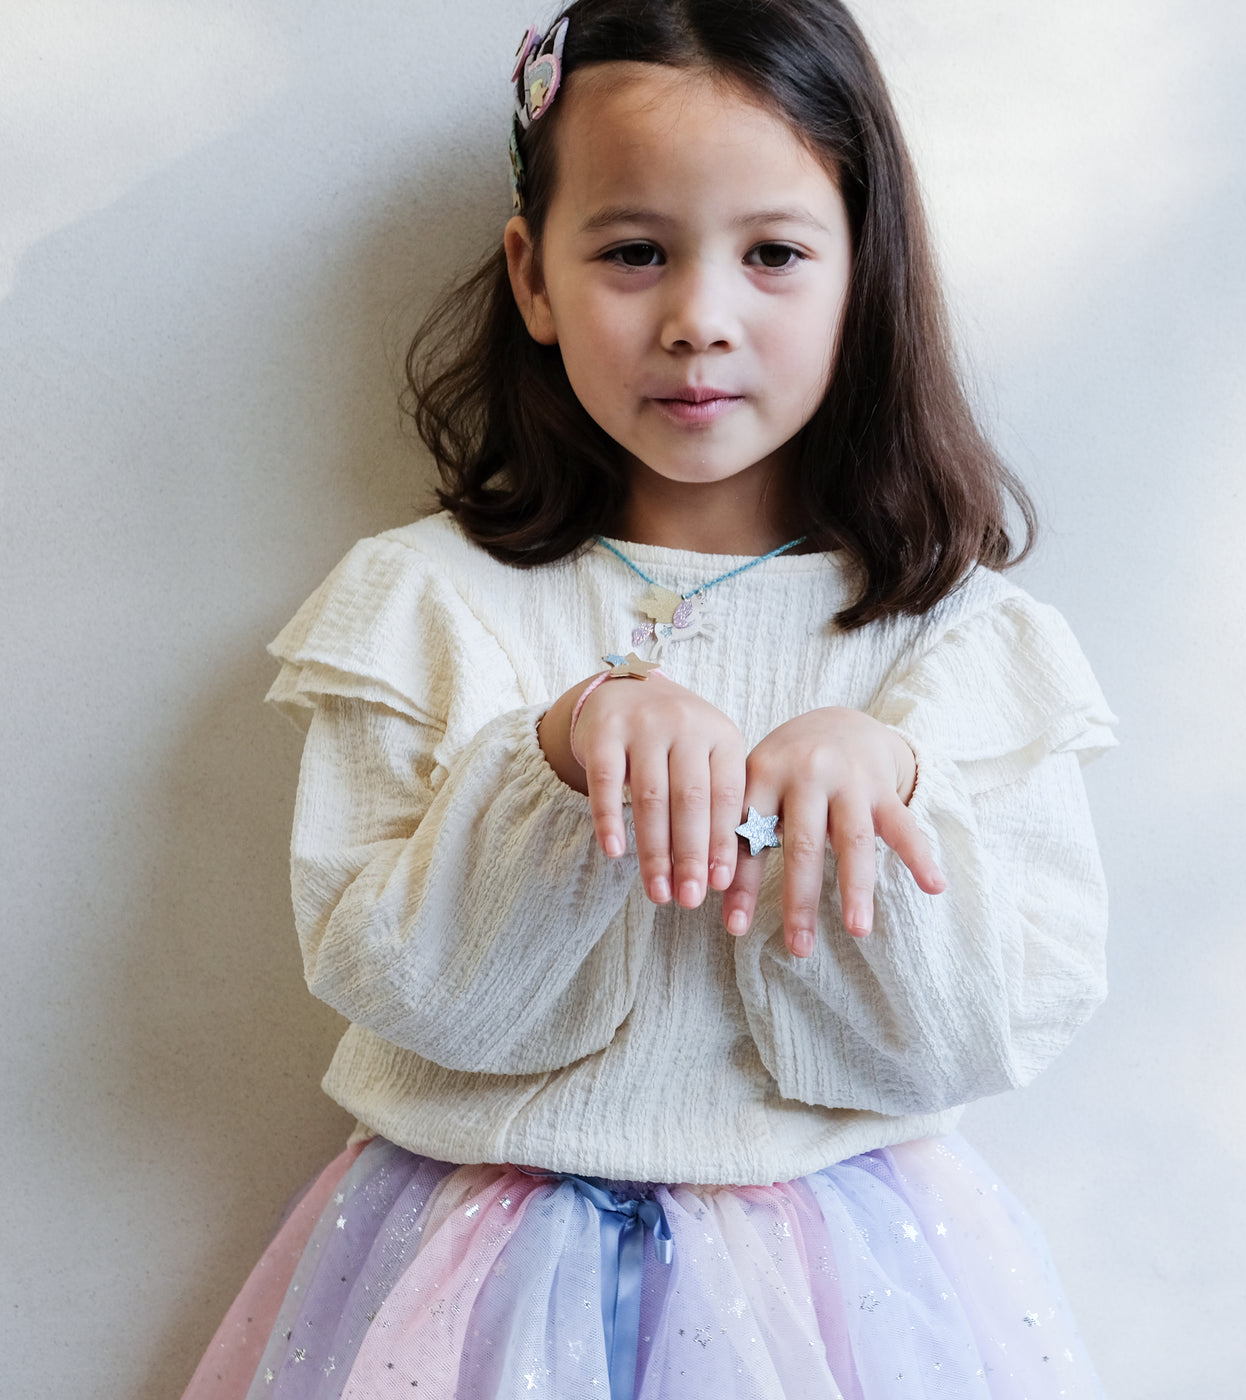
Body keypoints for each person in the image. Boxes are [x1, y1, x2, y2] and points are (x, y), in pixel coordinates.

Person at [183, 1, 1117, 1395]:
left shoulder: (960, 648)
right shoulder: (427, 608)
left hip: (849, 1284)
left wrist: (887, 791)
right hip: (468, 1277)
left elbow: (988, 1035)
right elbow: (398, 988)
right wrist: (552, 763)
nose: (698, 318)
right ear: (534, 275)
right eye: (633, 252)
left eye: (777, 254)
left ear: (866, 272)